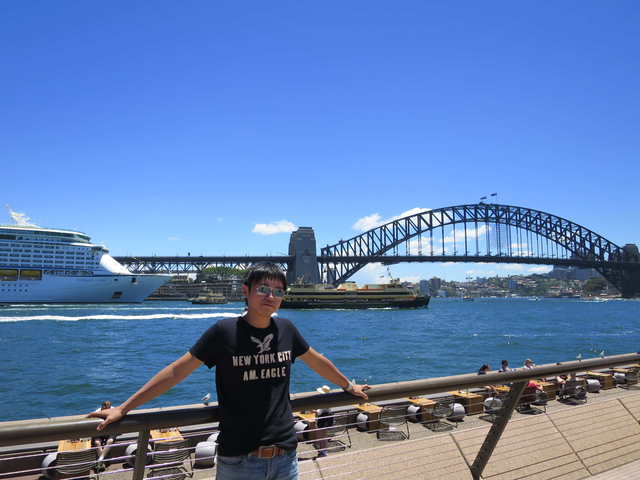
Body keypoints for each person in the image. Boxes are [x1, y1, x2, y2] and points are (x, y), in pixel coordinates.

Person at [88, 262, 370, 480]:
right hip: (239, 461)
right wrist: (123, 408)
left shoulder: (287, 329)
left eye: (278, 291)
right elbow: (176, 372)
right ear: (245, 291)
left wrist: (348, 386)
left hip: (286, 456)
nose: (270, 296)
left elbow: (317, 360)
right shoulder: (223, 332)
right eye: (263, 289)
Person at [92, 401, 116, 471]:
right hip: (101, 431)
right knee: (97, 442)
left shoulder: (113, 411)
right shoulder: (97, 412)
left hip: (110, 431)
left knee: (110, 441)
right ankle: (102, 461)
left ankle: (100, 460)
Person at [314, 385, 333, 458]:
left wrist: (311, 410)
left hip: (322, 421)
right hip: (325, 420)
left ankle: (324, 451)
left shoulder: (324, 402)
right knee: (322, 436)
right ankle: (323, 450)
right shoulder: (329, 401)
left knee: (322, 436)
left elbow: (319, 412)